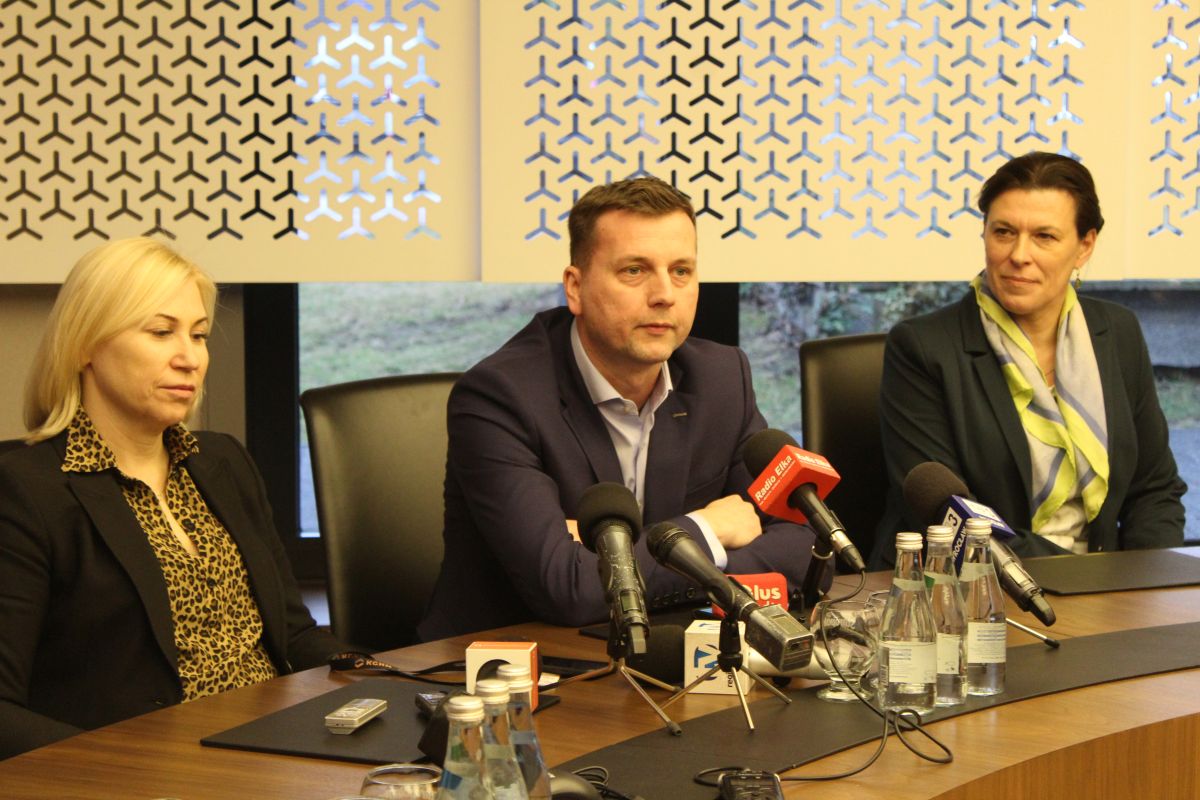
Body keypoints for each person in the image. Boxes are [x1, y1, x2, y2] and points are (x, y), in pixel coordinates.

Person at [418, 176, 817, 641]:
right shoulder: (500, 397)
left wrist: (613, 562)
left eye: (681, 271)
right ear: (575, 287)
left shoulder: (722, 378)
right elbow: (568, 590)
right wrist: (708, 530)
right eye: (634, 271)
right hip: (515, 663)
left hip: (671, 651)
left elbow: (806, 550)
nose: (664, 294)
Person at [0, 238, 343, 760]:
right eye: (161, 332)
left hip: (276, 749)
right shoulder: (26, 490)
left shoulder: (223, 461)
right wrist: (126, 774)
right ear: (84, 344)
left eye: (198, 335)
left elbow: (294, 636)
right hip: (150, 771)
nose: (190, 359)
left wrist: (399, 680)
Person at [872, 152, 1187, 567]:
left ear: (1085, 246)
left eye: (1044, 236)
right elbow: (952, 520)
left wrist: (1147, 579)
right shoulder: (923, 347)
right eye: (1003, 232)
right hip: (970, 584)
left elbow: (1155, 489)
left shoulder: (1116, 332)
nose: (1019, 254)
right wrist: (1085, 576)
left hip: (1107, 583)